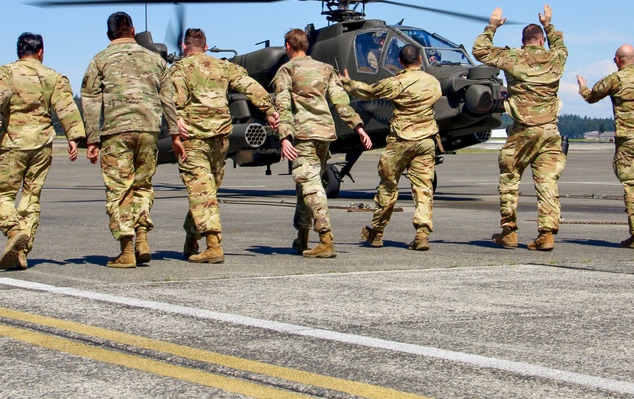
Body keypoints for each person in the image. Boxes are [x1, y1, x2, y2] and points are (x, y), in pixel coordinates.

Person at [167, 28, 280, 263]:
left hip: (194, 137)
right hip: (220, 138)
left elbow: (170, 100)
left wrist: (175, 125)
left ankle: (213, 245)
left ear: (185, 47)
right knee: (207, 191)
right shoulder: (223, 66)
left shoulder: (179, 69)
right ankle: (192, 238)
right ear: (206, 47)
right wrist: (269, 110)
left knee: (202, 191)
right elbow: (250, 85)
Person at [81, 12, 176, 269]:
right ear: (133, 31)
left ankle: (126, 250)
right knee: (142, 185)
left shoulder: (99, 60)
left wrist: (91, 140)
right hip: (149, 131)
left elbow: (90, 102)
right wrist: (175, 134)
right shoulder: (155, 60)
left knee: (119, 189)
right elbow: (169, 99)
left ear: (109, 34)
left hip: (116, 132)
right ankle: (142, 237)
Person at [0, 32, 86, 270]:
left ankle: (14, 230)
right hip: (42, 145)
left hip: (13, 143)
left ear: (19, 52)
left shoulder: (5, 72)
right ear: (40, 52)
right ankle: (20, 251)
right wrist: (74, 138)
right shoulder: (53, 76)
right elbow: (66, 107)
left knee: (0, 197)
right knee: (31, 198)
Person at [472, 5, 567, 252]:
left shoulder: (513, 56)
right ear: (541, 40)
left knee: (510, 179)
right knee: (547, 183)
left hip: (523, 130)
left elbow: (480, 51)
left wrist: (492, 26)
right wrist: (549, 24)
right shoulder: (555, 58)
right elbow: (560, 47)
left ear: (523, 41)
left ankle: (509, 232)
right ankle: (546, 234)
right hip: (549, 132)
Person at [272, 28, 372, 258]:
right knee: (305, 185)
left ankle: (325, 239)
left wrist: (284, 136)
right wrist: (358, 126)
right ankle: (303, 237)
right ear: (306, 46)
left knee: (310, 185)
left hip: (304, 135)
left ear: (288, 46)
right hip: (325, 134)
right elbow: (341, 101)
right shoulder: (326, 69)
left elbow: (283, 105)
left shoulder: (286, 70)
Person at [341, 44, 441, 251]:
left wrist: (348, 84)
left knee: (387, 187)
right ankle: (422, 234)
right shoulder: (433, 82)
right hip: (426, 141)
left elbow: (369, 92)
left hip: (401, 142)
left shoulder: (396, 82)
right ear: (420, 61)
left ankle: (376, 233)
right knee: (423, 188)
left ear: (400, 62)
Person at [577, 45, 634, 249]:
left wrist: (582, 86)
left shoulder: (616, 79)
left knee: (631, 185)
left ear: (617, 60)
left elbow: (592, 96)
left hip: (629, 138)